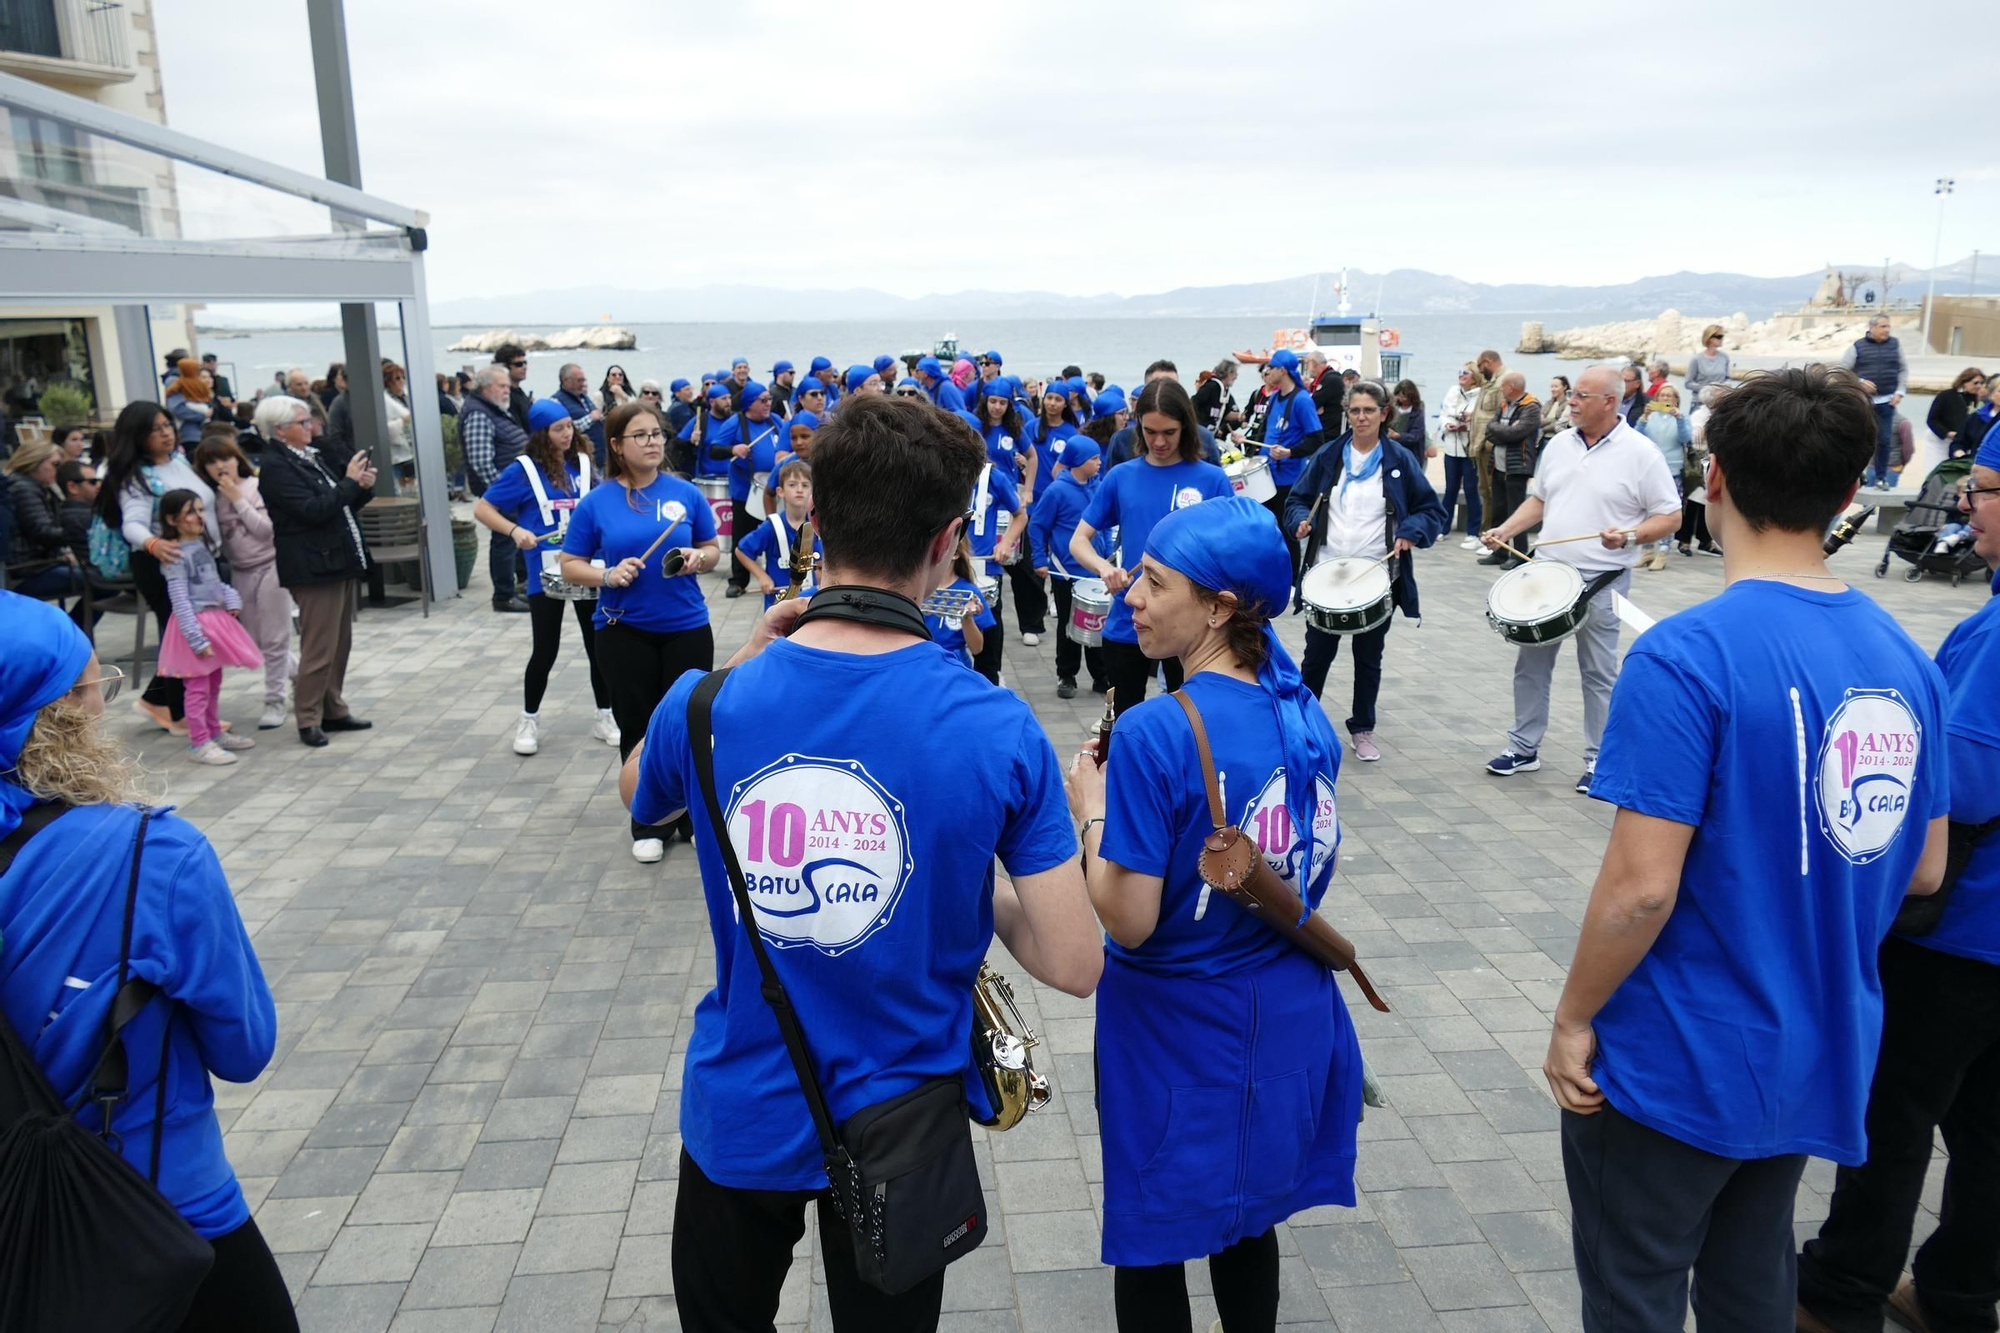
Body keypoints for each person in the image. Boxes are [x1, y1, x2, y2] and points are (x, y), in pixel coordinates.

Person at [620, 391, 1102, 1333]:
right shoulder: (993, 724)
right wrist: (977, 880)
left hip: (741, 1108)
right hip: (904, 1125)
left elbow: (641, 791)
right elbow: (1074, 962)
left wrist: (741, 657)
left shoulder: (709, 701)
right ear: (949, 538)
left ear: (813, 516)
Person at [1542, 366, 1951, 1333]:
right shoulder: (1906, 660)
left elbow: (1642, 889)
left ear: (1712, 480)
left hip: (1680, 1055)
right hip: (1817, 1042)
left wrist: (1571, 1018)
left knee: (1634, 1290)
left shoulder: (1689, 655)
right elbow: (1926, 868)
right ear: (1851, 494)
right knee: (1750, 1285)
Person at [1063, 494, 1361, 1333]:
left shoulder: (1159, 730)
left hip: (1175, 1027)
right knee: (1247, 1222)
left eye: (1155, 582)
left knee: (1154, 1234)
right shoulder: (1302, 710)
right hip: (1284, 1009)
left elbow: (1127, 918)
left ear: (1221, 605)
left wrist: (1090, 805)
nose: (1131, 595)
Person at [0, 592, 293, 1330]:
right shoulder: (151, 855)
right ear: (58, 715)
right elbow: (244, 1047)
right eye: (97, 689)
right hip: (156, 1207)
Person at [1795, 431, 2000, 1333]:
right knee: (1992, 1130)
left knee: (1896, 1111)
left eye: (1984, 489)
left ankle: (1842, 1290)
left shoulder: (1994, 635)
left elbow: (1967, 782)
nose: (1967, 504)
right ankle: (1959, 1291)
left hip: (1963, 931)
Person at [1481, 364, 1682, 791]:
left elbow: (1671, 516)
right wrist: (1507, 530)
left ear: (1610, 401)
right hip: (1548, 575)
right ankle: (1523, 747)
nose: (1571, 401)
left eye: (1581, 397)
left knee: (1599, 673)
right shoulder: (1557, 445)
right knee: (1530, 667)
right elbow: (1539, 500)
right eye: (1571, 394)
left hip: (1603, 581)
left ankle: (1599, 760)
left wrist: (1631, 535)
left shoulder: (1641, 452)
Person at [559, 400, 721, 865]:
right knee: (638, 726)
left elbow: (712, 549)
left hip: (687, 627)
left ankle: (691, 816)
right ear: (616, 445)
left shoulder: (686, 494)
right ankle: (648, 819)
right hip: (622, 630)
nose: (653, 443)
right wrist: (607, 576)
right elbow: (569, 563)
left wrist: (699, 559)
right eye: (641, 435)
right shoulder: (598, 502)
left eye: (657, 434)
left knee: (691, 725)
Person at [1285, 378, 1446, 762]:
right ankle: (1303, 726)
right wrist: (1298, 522)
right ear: (1348, 414)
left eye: (1368, 410)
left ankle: (1362, 728)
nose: (1360, 417)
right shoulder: (1328, 456)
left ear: (1383, 413)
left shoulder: (1399, 460)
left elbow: (1431, 510)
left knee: (1368, 658)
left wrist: (1410, 531)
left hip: (1378, 577)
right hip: (1327, 574)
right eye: (1354, 410)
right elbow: (1298, 499)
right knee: (1316, 657)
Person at [1071, 378, 1234, 724]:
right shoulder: (1122, 477)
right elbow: (1079, 540)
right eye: (1150, 431)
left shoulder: (1211, 479)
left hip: (1191, 627)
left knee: (1190, 722)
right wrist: (1104, 568)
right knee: (1126, 721)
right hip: (1130, 620)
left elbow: (1230, 551)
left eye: (1169, 432)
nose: (1159, 442)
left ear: (1186, 428)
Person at [473, 398, 618, 758]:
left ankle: (606, 715)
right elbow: (482, 507)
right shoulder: (523, 470)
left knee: (597, 645)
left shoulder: (583, 465)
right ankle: (529, 719)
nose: (568, 434)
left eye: (570, 426)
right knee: (545, 649)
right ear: (542, 434)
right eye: (559, 429)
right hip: (544, 572)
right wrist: (514, 530)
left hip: (587, 566)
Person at [255, 395, 375, 749]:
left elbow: (339, 504)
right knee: (319, 646)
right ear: (280, 430)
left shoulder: (309, 457)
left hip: (334, 559)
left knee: (339, 643)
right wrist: (349, 483)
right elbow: (313, 510)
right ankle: (308, 716)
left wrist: (360, 488)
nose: (312, 427)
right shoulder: (277, 467)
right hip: (312, 565)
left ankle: (333, 707)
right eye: (303, 422)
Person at [100, 401, 216, 734]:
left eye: (167, 425)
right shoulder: (138, 476)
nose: (165, 433)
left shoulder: (178, 459)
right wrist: (155, 544)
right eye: (155, 429)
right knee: (180, 634)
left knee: (181, 633)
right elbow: (132, 525)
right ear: (137, 436)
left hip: (193, 559)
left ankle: (157, 699)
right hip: (160, 564)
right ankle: (179, 714)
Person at [193, 434, 296, 732]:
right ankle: (304, 674)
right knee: (253, 640)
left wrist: (238, 501)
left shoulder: (256, 487)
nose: (220, 466)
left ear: (237, 458)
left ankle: (275, 700)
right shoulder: (211, 499)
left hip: (272, 566)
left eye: (224, 457)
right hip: (240, 572)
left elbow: (267, 531)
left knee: (276, 638)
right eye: (211, 462)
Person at [154, 490, 262, 766]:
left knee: (213, 681)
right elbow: (179, 598)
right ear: (172, 519)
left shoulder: (200, 547)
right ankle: (199, 741)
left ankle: (214, 732)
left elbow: (212, 583)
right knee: (198, 687)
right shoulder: (176, 555)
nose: (199, 517)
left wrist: (230, 597)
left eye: (201, 510)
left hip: (213, 620)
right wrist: (195, 638)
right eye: (191, 511)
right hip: (196, 625)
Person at [1030, 436, 1110, 700]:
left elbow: (1107, 523)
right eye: (1094, 459)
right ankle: (1067, 674)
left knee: (1099, 626)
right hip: (1066, 572)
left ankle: (1101, 675)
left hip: (1096, 570)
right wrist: (1040, 560)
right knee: (1068, 626)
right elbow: (1038, 525)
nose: (1099, 463)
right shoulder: (1057, 491)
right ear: (1077, 462)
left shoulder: (1099, 487)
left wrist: (1108, 552)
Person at [975, 379, 1048, 644]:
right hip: (982, 506)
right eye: (992, 401)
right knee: (986, 563)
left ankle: (1031, 624)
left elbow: (1032, 457)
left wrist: (1028, 489)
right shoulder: (976, 427)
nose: (997, 407)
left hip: (1009, 504)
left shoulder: (1013, 429)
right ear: (985, 401)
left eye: (1002, 402)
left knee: (1022, 567)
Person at [460, 365, 534, 611]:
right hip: (501, 494)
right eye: (502, 386)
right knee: (503, 540)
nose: (507, 391)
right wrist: (503, 494)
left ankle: (515, 588)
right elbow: (481, 461)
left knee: (511, 540)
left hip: (511, 491)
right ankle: (503, 596)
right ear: (486, 388)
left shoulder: (494, 410)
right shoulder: (479, 414)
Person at [710, 381, 786, 599]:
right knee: (742, 535)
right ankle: (738, 581)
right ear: (749, 404)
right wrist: (733, 449)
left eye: (769, 399)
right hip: (746, 490)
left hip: (772, 490)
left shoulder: (776, 421)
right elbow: (714, 450)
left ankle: (778, 575)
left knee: (777, 533)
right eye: (763, 400)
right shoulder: (736, 422)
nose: (768, 403)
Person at [4, 441, 89, 623]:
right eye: (54, 464)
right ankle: (72, 632)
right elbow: (43, 531)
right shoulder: (24, 488)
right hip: (27, 572)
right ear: (35, 462)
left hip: (31, 567)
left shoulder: (28, 485)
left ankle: (71, 631)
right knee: (101, 581)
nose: (58, 471)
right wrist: (80, 533)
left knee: (99, 579)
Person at [1477, 373, 1544, 569]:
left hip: (1517, 466)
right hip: (1497, 466)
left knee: (1516, 510)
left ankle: (1519, 554)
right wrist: (1503, 432)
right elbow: (1490, 428)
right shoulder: (1505, 404)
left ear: (1512, 387)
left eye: (1503, 386)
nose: (1501, 390)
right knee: (1498, 509)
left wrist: (1502, 431)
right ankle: (1499, 551)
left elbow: (1518, 433)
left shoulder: (1531, 407)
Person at [733, 458, 819, 609]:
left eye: (805, 485)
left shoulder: (817, 526)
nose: (799, 489)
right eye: (792, 485)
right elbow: (741, 551)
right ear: (780, 492)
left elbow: (821, 563)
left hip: (809, 603)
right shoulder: (772, 526)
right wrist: (762, 577)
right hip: (778, 604)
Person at [1840, 315, 1909, 490]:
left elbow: (1903, 369)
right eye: (1883, 326)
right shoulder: (1857, 347)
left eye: (1889, 327)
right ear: (1872, 327)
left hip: (1887, 402)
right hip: (1863, 402)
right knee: (1859, 439)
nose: (1887, 330)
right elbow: (1842, 371)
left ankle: (1880, 477)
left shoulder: (1895, 345)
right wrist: (1860, 382)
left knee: (1884, 440)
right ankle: (1854, 475)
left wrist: (1900, 392)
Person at [1634, 385, 1693, 571]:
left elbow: (1685, 439)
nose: (1666, 398)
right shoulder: (1650, 416)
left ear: (1676, 400)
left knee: (1668, 511)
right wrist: (1643, 418)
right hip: (1649, 467)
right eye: (1662, 395)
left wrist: (1679, 418)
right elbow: (1636, 437)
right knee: (1645, 509)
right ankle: (1647, 550)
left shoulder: (1682, 418)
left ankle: (1664, 551)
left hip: (1672, 469)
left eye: (1670, 395)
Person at [927, 535, 994, 669]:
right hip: (923, 660)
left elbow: (976, 648)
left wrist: (966, 618)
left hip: (955, 664)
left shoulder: (969, 592)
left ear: (955, 554)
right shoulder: (920, 587)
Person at [1439, 364, 1483, 549]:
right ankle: (1443, 528)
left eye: (1465, 373)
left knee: (1472, 490)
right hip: (1451, 447)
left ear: (1474, 377)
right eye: (1459, 372)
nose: (1461, 375)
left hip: (1469, 449)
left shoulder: (1481, 395)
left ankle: (1474, 532)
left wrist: (1467, 423)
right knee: (1450, 489)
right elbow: (1444, 414)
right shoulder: (1453, 391)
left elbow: (1482, 420)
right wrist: (1448, 424)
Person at [1676, 386, 1723, 557]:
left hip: (1715, 462)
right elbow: (1696, 441)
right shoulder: (1699, 417)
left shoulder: (1721, 415)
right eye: (1720, 396)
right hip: (1699, 464)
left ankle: (1705, 540)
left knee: (1708, 502)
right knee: (1693, 504)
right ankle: (1685, 540)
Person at [1466, 350, 1505, 533]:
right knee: (1484, 490)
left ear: (1488, 362)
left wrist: (1492, 440)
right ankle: (1484, 531)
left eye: (1481, 366)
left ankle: (1491, 532)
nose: (1480, 371)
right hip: (1480, 445)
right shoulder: (1490, 382)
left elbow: (1503, 414)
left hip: (1490, 445)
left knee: (1492, 491)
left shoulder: (1503, 382)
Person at [1925, 366, 1986, 466]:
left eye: (1982, 383)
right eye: (1975, 383)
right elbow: (1932, 419)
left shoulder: (1980, 400)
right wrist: (1947, 433)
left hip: (1961, 442)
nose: (1979, 386)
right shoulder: (1946, 395)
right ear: (1964, 382)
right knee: (1936, 469)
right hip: (1940, 441)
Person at [552, 361, 606, 468]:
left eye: (583, 380)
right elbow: (562, 430)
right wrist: (590, 418)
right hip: (580, 461)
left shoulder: (583, 397)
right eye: (579, 380)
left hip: (599, 457)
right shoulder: (556, 401)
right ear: (566, 381)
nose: (583, 384)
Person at [164, 357, 215, 448]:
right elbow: (177, 409)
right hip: (188, 433)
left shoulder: (195, 382)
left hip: (200, 432)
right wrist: (203, 415)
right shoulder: (176, 381)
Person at [1684, 323, 1731, 404]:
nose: (1722, 339)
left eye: (1722, 336)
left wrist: (1725, 386)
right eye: (1719, 336)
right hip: (1700, 402)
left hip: (1720, 403)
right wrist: (1708, 389)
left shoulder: (1724, 357)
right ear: (1710, 338)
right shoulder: (1696, 359)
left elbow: (1728, 378)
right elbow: (1688, 383)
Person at [1190, 358, 1236, 435]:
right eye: (1234, 374)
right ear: (1228, 373)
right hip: (1200, 433)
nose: (1235, 377)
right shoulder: (1211, 386)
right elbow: (1193, 403)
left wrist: (1242, 417)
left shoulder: (1225, 392)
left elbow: (1226, 414)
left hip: (1211, 433)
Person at [494, 343, 533, 430]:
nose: (524, 367)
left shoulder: (519, 392)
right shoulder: (505, 396)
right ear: (505, 367)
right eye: (518, 364)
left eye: (525, 363)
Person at [1540, 374, 1572, 443]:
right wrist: (1553, 420)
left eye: (1556, 387)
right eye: (1551, 387)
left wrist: (1544, 428)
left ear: (1565, 387)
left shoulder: (1568, 404)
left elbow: (1561, 424)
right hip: (1542, 439)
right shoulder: (1548, 403)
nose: (1553, 389)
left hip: (1558, 439)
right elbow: (1539, 421)